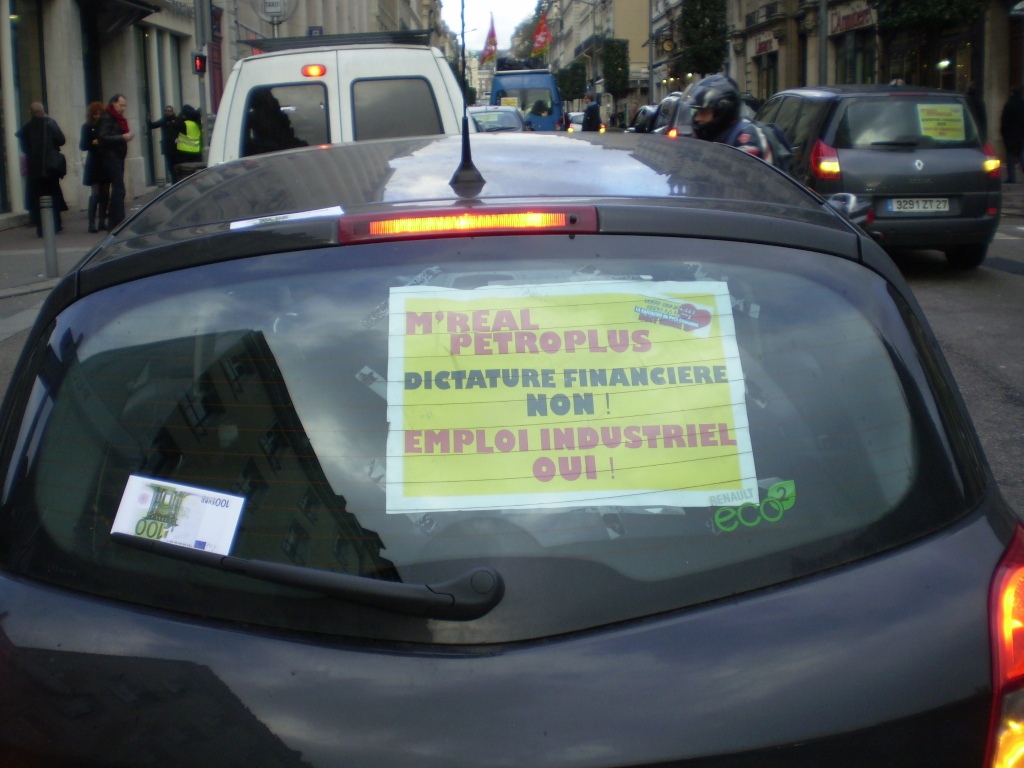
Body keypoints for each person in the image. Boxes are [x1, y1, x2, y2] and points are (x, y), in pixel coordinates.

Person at [688, 74, 771, 161]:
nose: (697, 118)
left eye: (704, 113)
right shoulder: (717, 135)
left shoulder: (746, 138)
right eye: (697, 112)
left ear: (722, 112)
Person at [16, 102, 68, 237]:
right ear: (43, 111)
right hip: (50, 167)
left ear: (30, 113)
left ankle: (40, 227)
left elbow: (25, 148)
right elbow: (61, 140)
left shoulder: (27, 128)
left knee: (36, 198)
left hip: (34, 169)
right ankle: (55, 225)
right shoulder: (50, 123)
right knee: (53, 195)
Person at [96, 93, 134, 229]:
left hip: (117, 155)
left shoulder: (117, 118)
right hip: (111, 156)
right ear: (113, 103)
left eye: (124, 105)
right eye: (120, 105)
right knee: (119, 189)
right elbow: (103, 137)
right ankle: (116, 221)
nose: (122, 108)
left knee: (119, 189)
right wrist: (121, 138)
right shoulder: (108, 118)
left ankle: (117, 219)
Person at [80, 101, 110, 233]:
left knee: (105, 192)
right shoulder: (86, 127)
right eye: (95, 114)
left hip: (106, 161)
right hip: (94, 162)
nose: (97, 116)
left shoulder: (106, 126)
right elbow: (83, 145)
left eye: (99, 114)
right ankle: (91, 223)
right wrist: (94, 143)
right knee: (95, 193)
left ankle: (102, 221)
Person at [147, 105, 180, 185]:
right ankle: (174, 183)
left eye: (169, 111)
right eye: (166, 111)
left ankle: (177, 182)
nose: (167, 112)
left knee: (177, 166)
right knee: (170, 167)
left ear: (172, 112)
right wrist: (148, 120)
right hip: (167, 148)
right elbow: (152, 126)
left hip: (176, 147)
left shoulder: (176, 120)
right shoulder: (163, 120)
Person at [1000, 86, 1024, 184]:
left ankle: (1012, 178)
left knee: (1010, 158)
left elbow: (1004, 121)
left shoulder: (1009, 105)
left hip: (1010, 135)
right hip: (1021, 135)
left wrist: (1003, 132)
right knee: (1021, 155)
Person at [175, 104, 202, 169]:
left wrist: (181, 113)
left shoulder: (184, 124)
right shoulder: (197, 124)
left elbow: (176, 123)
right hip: (196, 150)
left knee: (185, 170)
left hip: (184, 151)